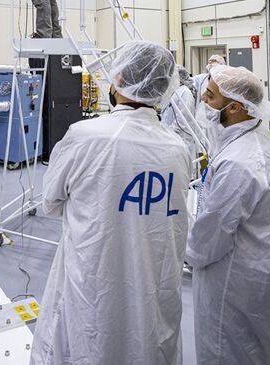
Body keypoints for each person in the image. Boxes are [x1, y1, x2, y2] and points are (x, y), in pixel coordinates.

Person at [31, 41, 189, 365]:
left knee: (90, 344)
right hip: (155, 293)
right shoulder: (177, 148)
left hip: (94, 285)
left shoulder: (86, 136)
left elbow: (50, 201)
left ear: (117, 78)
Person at [186, 65, 270, 365]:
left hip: (234, 283)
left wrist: (185, 248)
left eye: (209, 97)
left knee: (226, 354)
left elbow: (209, 241)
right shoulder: (261, 139)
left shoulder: (239, 161)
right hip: (263, 270)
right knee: (254, 352)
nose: (203, 103)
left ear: (234, 107)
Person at [162, 65, 210, 161]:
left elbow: (183, 121)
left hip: (182, 139)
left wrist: (166, 131)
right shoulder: (174, 92)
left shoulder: (185, 93)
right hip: (171, 137)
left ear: (178, 77)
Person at [190, 54, 226, 155]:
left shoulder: (225, 80)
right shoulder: (202, 78)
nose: (211, 64)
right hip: (203, 118)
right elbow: (189, 81)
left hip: (219, 118)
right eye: (210, 61)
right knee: (204, 145)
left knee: (217, 145)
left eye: (214, 61)